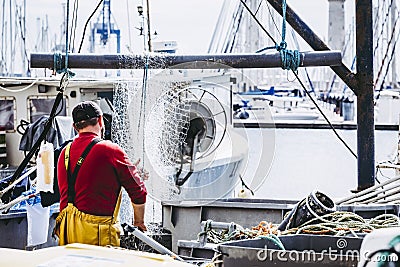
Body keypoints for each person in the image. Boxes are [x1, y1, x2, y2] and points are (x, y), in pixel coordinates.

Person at [54, 101, 147, 246]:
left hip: (67, 231)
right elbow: (138, 191)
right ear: (100, 120)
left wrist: (120, 173)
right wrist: (139, 223)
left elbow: (86, 182)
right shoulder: (110, 150)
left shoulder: (64, 153)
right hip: (96, 234)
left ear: (74, 127)